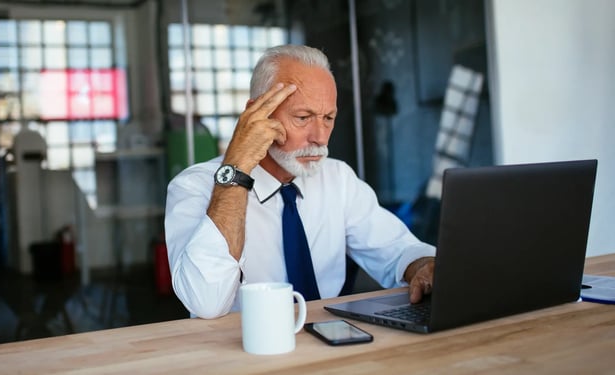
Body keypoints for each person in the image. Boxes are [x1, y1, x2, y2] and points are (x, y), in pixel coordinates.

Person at [165, 44, 435, 319]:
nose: (320, 136)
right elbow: (205, 302)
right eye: (303, 117)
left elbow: (396, 249)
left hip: (330, 344)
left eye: (328, 118)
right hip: (243, 352)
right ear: (256, 113)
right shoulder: (193, 187)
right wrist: (236, 170)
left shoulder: (337, 178)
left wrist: (423, 264)